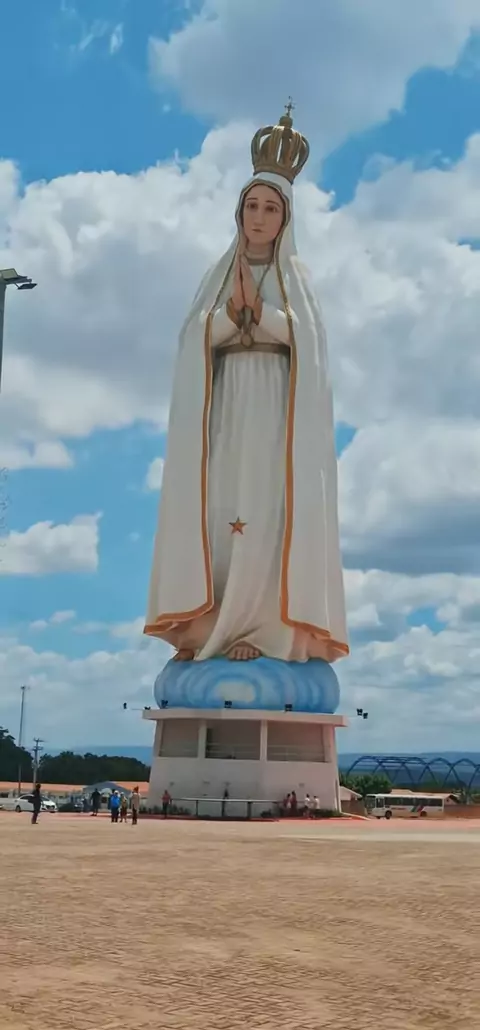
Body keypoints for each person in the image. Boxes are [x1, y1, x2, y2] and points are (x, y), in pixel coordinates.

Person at [144, 106, 349, 665]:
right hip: (226, 407)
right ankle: (207, 629)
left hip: (275, 410)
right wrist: (231, 319)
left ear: (286, 218)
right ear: (239, 212)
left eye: (270, 208)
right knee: (221, 513)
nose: (259, 218)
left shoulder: (296, 278)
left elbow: (311, 345)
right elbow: (192, 338)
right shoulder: (216, 275)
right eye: (252, 206)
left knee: (266, 513)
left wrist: (265, 316)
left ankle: (262, 629)